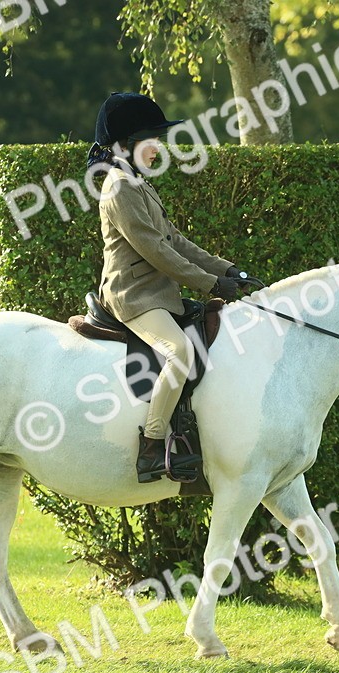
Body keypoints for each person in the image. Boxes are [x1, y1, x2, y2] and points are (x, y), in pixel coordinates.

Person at [87, 92, 253, 483]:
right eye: (152, 139)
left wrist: (231, 270)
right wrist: (211, 283)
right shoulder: (119, 188)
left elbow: (175, 240)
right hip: (133, 295)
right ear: (125, 143)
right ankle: (153, 443)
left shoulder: (139, 184)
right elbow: (156, 251)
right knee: (178, 351)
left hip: (157, 293)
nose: (159, 146)